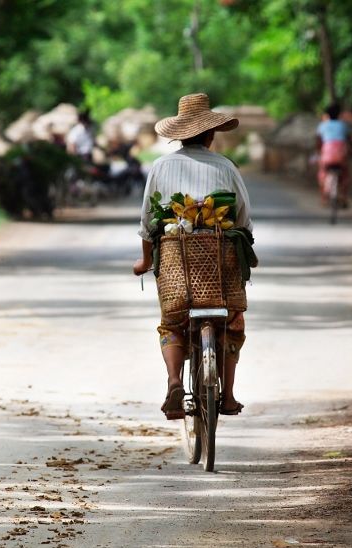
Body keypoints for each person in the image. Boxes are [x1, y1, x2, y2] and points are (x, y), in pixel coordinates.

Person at [133, 92, 254, 420]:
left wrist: (145, 262)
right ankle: (227, 396)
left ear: (179, 135)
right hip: (221, 256)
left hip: (176, 256)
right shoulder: (226, 166)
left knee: (172, 322)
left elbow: (148, 223)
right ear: (211, 135)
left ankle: (174, 381)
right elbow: (243, 219)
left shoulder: (160, 166)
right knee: (232, 321)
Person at [316, 102, 352, 207]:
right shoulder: (343, 125)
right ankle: (344, 198)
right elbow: (350, 141)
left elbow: (318, 142)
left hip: (327, 156)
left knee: (322, 173)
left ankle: (323, 198)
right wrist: (351, 151)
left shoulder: (323, 126)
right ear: (339, 114)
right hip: (341, 155)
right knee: (345, 175)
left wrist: (319, 152)